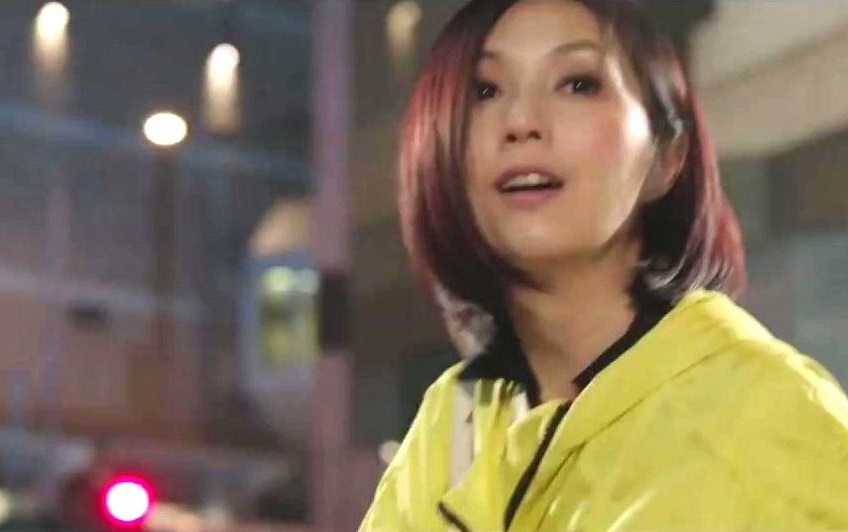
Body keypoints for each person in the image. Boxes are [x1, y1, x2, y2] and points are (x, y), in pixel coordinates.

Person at [360, 0, 848, 530]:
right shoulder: (451, 424)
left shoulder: (771, 416)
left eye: (578, 84)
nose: (521, 122)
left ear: (666, 156)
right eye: (484, 91)